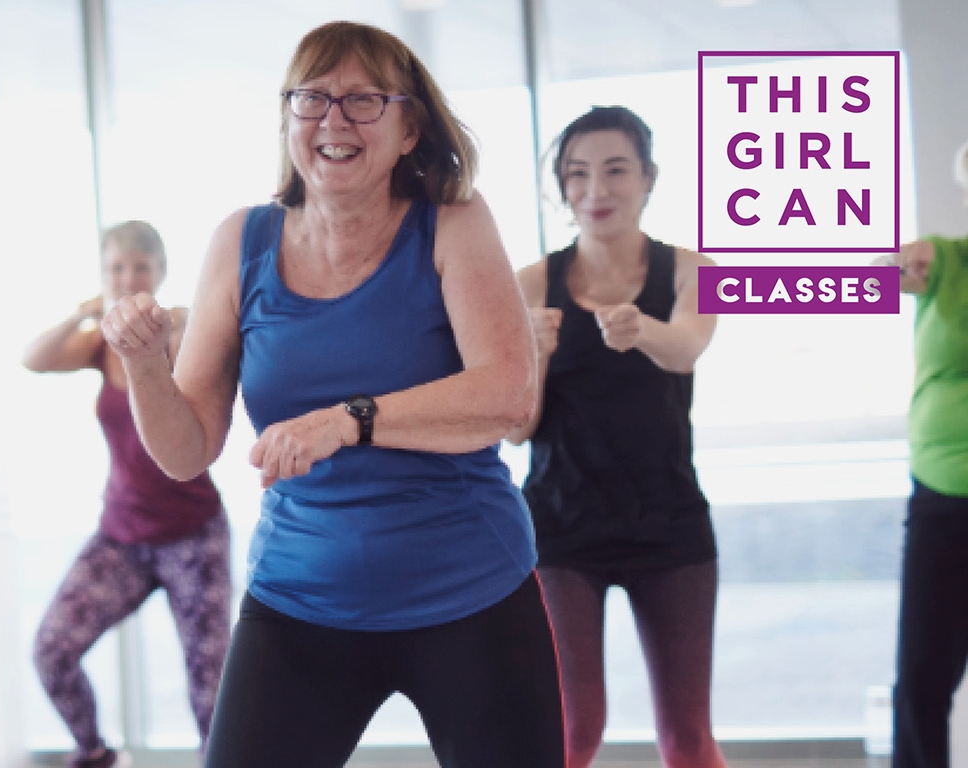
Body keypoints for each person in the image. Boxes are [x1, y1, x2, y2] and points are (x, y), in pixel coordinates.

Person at [99, 21, 564, 766]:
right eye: (311, 99)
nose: (332, 121)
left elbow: (507, 398)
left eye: (362, 101)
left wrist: (352, 420)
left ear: (410, 128)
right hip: (300, 599)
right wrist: (148, 366)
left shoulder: (453, 226)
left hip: (469, 591)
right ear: (287, 119)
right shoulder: (240, 243)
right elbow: (187, 452)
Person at [506, 106, 724, 768]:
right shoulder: (530, 284)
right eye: (577, 175)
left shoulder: (692, 269)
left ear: (648, 178)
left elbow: (686, 348)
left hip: (671, 523)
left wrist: (640, 331)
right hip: (562, 529)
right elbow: (517, 429)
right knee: (574, 729)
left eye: (615, 170)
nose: (595, 192)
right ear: (562, 187)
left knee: (686, 736)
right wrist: (537, 354)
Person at [24, 221, 232, 768]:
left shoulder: (181, 334)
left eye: (140, 267)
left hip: (193, 536)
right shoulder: (99, 345)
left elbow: (213, 359)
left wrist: (185, 323)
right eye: (116, 267)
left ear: (160, 272)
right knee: (52, 649)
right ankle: (93, 754)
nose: (128, 277)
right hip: (122, 536)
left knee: (213, 694)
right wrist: (82, 313)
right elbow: (34, 358)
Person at [883, 138, 968, 768]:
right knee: (920, 683)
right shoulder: (944, 260)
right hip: (942, 497)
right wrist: (888, 267)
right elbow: (882, 278)